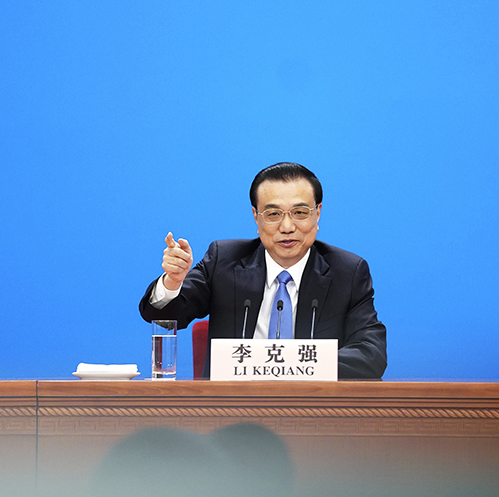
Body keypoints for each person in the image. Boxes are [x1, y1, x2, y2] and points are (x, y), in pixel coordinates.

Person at [138, 162, 387, 379]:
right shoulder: (224, 261)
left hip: (314, 409)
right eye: (273, 214)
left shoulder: (347, 273)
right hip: (231, 410)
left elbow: (371, 354)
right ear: (256, 218)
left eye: (300, 213)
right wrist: (173, 281)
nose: (287, 226)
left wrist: (288, 364)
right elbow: (165, 315)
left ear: (317, 214)